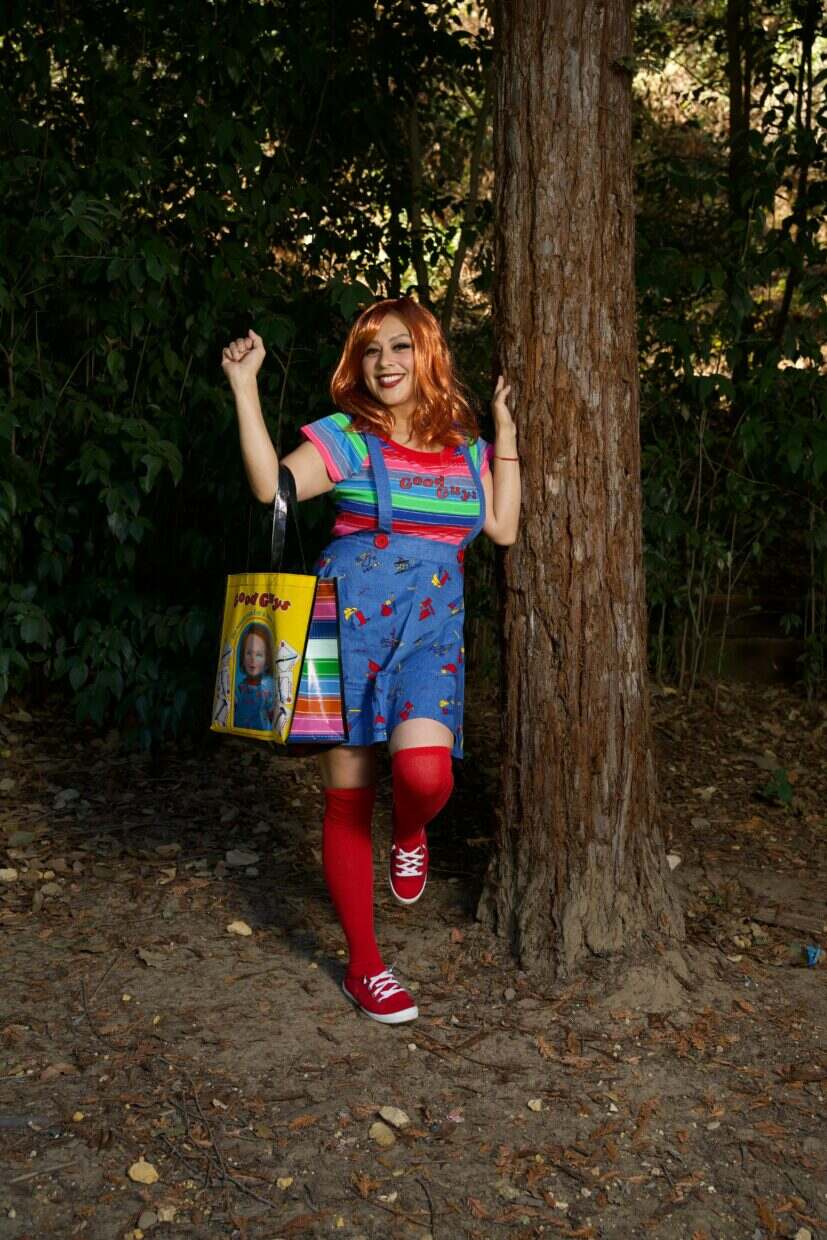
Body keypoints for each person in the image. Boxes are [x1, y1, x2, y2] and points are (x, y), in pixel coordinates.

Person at [221, 297, 520, 1024]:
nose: (385, 362)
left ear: (427, 354)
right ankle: (365, 966)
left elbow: (503, 527)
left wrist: (506, 433)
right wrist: (244, 386)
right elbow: (270, 488)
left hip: (430, 637)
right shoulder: (347, 436)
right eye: (370, 351)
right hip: (344, 630)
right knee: (349, 798)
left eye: (399, 346)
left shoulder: (465, 447)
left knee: (426, 775)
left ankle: (410, 833)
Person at [234, 623, 276, 732]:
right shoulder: (240, 687)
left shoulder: (269, 687)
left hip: (262, 735)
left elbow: (274, 715)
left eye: (259, 655)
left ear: (267, 660)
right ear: (242, 657)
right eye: (249, 653)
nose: (252, 659)